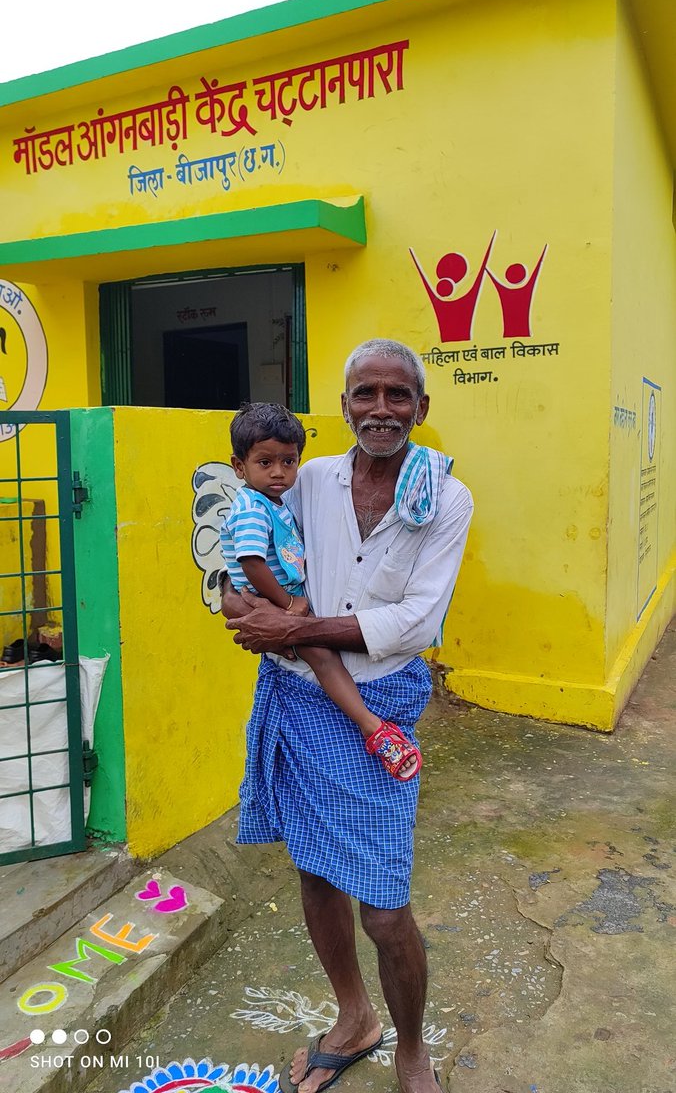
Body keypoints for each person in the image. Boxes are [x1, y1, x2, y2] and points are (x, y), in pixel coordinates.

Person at [221, 339, 473, 1093]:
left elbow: (414, 622)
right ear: (345, 407)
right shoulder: (308, 478)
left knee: (387, 910)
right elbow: (244, 547)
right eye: (366, 393)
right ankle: (354, 1014)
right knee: (316, 870)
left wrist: (292, 627)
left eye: (399, 395)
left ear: (422, 409)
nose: (382, 409)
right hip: (297, 697)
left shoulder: (445, 498)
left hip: (380, 709)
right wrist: (235, 601)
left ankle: (411, 1047)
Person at [221, 401, 421, 779]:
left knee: (319, 655)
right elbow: (251, 563)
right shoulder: (252, 508)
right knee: (324, 657)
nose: (279, 472)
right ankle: (373, 729)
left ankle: (369, 724)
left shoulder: (272, 501)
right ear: (238, 466)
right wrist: (290, 605)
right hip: (269, 603)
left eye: (288, 461)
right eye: (266, 463)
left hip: (272, 604)